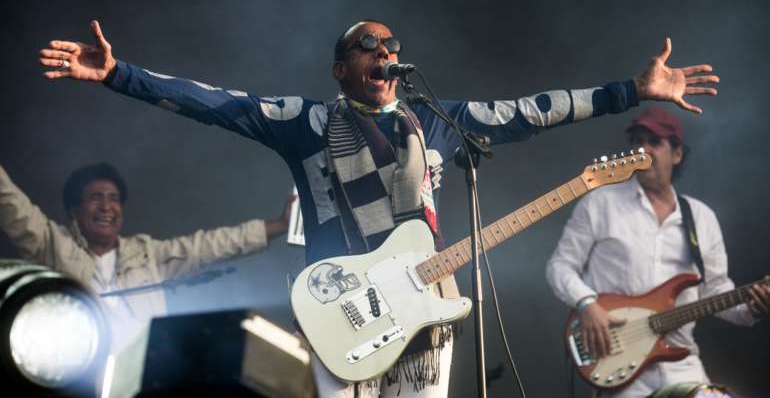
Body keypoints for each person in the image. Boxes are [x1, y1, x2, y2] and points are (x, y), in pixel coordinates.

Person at [39, 19, 720, 398]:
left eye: (391, 45)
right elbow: (216, 102)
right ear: (341, 68)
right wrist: (118, 73)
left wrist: (631, 90)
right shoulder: (303, 121)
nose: (385, 52)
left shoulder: (434, 120)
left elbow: (531, 111)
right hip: (343, 310)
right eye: (369, 45)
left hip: (426, 313)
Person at [546, 107, 770, 398]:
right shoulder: (599, 203)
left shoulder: (701, 217)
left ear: (676, 154)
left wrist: (753, 306)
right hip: (619, 368)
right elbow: (559, 267)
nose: (644, 149)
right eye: (638, 141)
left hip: (683, 366)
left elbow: (715, 289)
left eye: (655, 141)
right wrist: (587, 305)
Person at [0, 161, 292, 349]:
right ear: (73, 211)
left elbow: (210, 245)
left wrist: (278, 225)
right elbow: (10, 203)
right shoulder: (53, 243)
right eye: (95, 198)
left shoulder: (147, 254)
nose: (106, 207)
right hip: (76, 374)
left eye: (114, 199)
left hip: (142, 379)